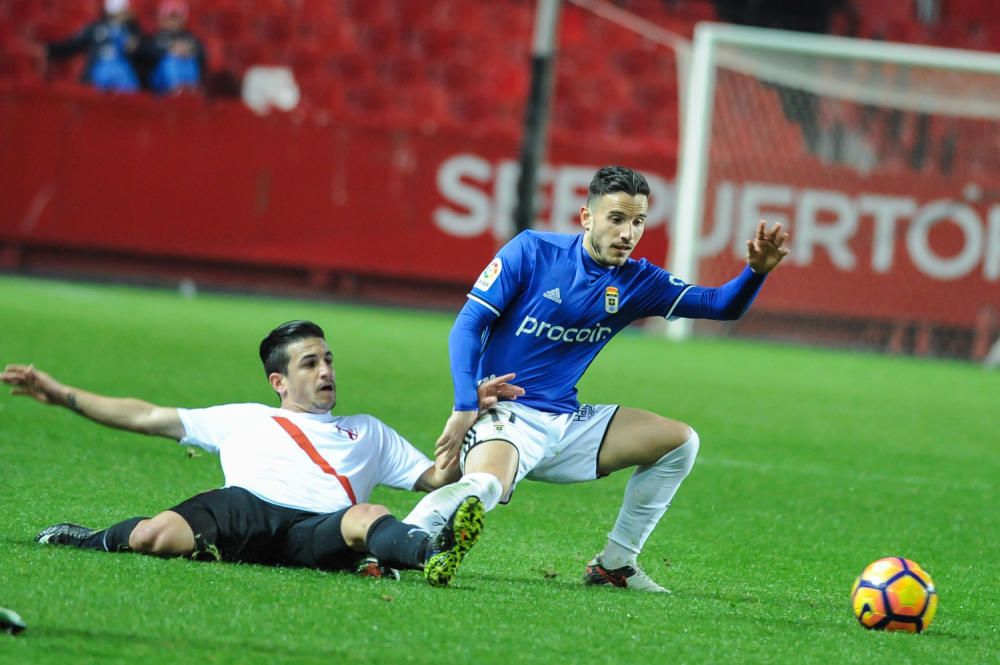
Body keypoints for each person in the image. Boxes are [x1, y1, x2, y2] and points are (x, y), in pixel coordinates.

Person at [404, 165, 790, 592]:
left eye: (638, 221)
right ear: (587, 217)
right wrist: (464, 405)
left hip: (566, 423)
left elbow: (720, 305)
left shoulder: (638, 280)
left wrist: (756, 273)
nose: (628, 233)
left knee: (681, 443)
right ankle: (400, 543)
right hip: (504, 413)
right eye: (617, 218)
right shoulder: (532, 251)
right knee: (487, 484)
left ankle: (615, 564)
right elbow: (469, 324)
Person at [1, 320, 522, 587]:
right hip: (245, 510)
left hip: (316, 531)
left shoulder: (367, 431)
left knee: (368, 515)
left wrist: (468, 413)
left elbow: (436, 478)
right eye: (310, 363)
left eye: (328, 360)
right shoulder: (244, 418)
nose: (325, 372)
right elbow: (144, 415)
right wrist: (62, 395)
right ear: (279, 380)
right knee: (151, 537)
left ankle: (432, 554)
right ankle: (90, 538)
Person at [43, 0, 144, 93]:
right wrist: (49, 49)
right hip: (98, 75)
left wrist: (135, 46)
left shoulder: (133, 31)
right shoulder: (95, 28)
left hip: (124, 75)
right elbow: (72, 45)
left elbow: (145, 52)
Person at [140, 0, 206, 95]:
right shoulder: (155, 37)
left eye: (176, 17)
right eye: (169, 17)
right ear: (162, 18)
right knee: (171, 61)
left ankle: (190, 92)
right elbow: (146, 54)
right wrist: (170, 51)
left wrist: (189, 51)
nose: (172, 21)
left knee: (190, 60)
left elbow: (203, 55)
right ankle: (177, 91)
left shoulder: (190, 37)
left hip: (187, 75)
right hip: (159, 81)